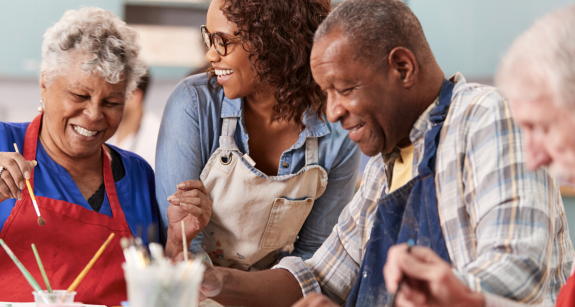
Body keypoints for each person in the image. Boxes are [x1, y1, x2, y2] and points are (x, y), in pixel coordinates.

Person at [189, 1, 573, 306]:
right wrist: (214, 281)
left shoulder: (484, 117)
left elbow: (519, 270)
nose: (333, 111)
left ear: (402, 68)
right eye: (326, 93)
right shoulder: (384, 166)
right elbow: (320, 279)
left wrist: (439, 290)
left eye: (344, 89)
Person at [0, 8, 194, 306]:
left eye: (111, 102)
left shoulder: (137, 174)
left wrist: (179, 241)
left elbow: (156, 294)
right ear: (45, 84)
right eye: (79, 96)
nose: (93, 115)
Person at [383, 4, 575, 307]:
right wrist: (468, 300)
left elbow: (517, 268)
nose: (534, 159)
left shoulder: (486, 112)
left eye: (542, 127)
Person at [156, 0, 361, 272]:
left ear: (275, 41)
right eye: (209, 38)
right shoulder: (193, 105)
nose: (211, 55)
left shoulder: (338, 128)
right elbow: (181, 250)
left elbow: (315, 259)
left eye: (223, 41)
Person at [107, 72, 160, 169]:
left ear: (135, 97)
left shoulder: (157, 140)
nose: (108, 101)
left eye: (114, 93)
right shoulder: (107, 128)